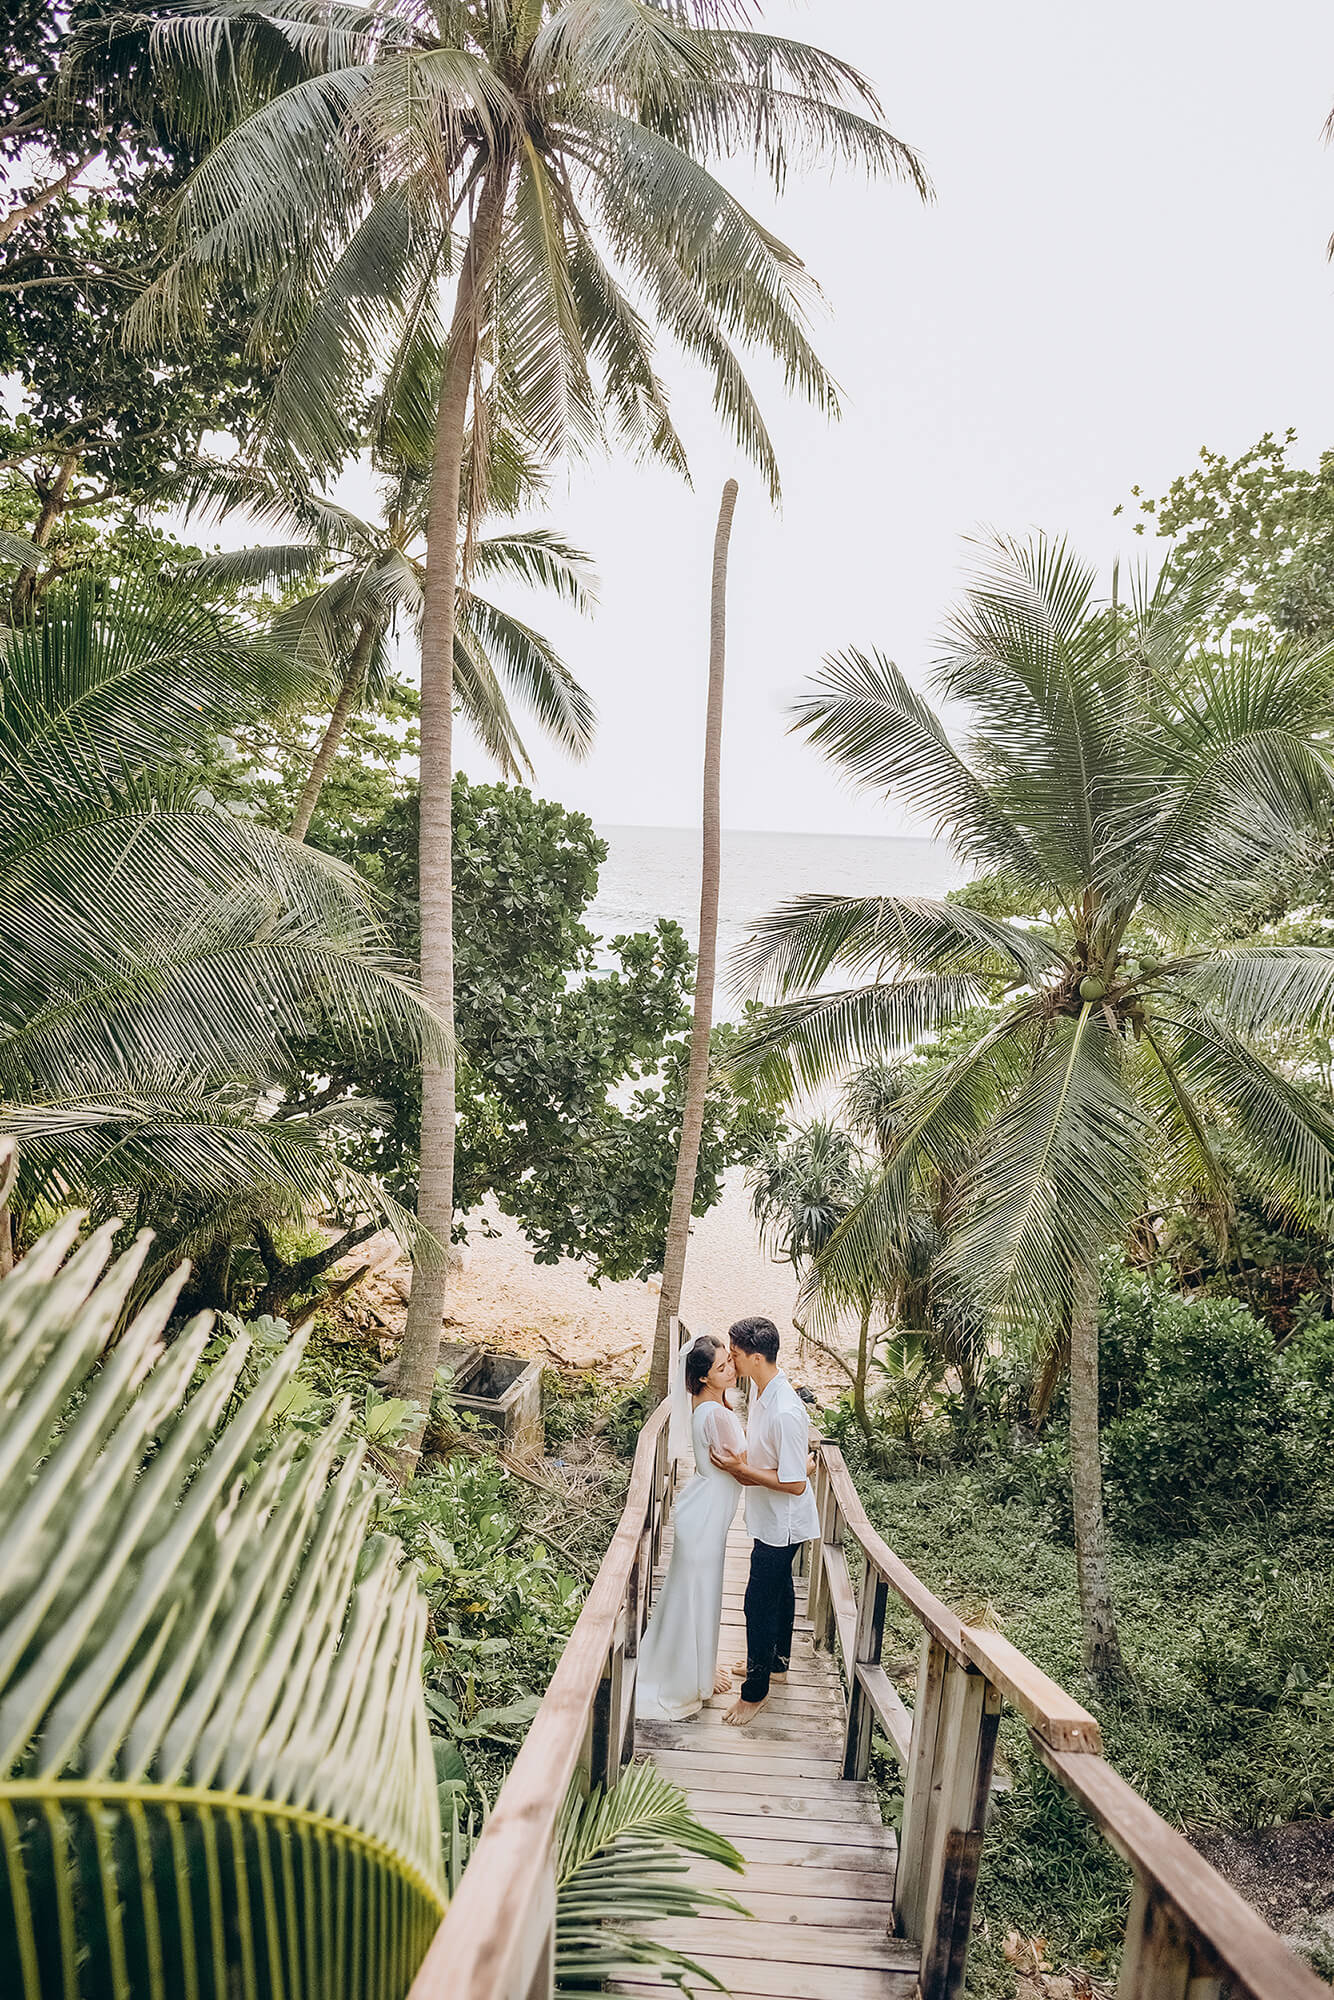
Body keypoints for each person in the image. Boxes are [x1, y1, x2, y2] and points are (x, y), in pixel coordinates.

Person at [709, 1316, 820, 1726]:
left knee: (757, 1602)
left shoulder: (786, 1411)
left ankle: (754, 1693)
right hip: (768, 1516)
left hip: (783, 1523)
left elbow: (792, 1484)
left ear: (756, 1358)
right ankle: (776, 1663)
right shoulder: (761, 1390)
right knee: (781, 1592)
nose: (731, 1361)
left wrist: (741, 1470)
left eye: (735, 1355)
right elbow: (794, 1468)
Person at [635, 1333, 746, 1722]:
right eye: (721, 1367)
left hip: (704, 1509)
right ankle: (686, 1678)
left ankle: (698, 1669)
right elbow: (744, 1466)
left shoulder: (706, 1406)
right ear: (702, 1379)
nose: (731, 1369)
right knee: (696, 1595)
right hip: (707, 1514)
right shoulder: (717, 1414)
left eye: (729, 1361)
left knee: (694, 1593)